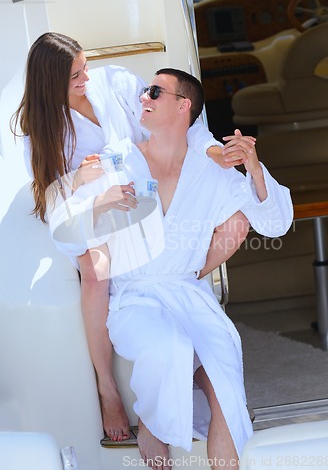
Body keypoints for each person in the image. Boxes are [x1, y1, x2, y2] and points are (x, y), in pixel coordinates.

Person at [11, 32, 250, 442]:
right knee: (96, 267)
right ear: (50, 83)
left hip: (148, 193)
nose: (87, 78)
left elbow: (172, 117)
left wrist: (211, 152)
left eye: (85, 67)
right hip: (99, 208)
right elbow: (54, 196)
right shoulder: (38, 130)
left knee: (222, 222)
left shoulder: (116, 83)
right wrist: (81, 179)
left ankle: (190, 299)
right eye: (75, 76)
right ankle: (107, 386)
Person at [63, 68, 293, 469]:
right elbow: (71, 228)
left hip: (189, 295)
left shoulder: (210, 169)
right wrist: (95, 203)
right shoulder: (121, 158)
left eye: (154, 92)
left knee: (226, 390)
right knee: (168, 347)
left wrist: (254, 168)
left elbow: (274, 223)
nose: (143, 99)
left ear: (184, 105)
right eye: (144, 92)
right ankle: (153, 425)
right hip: (135, 300)